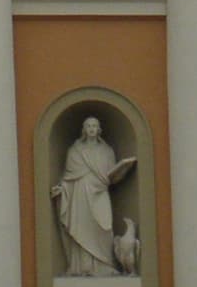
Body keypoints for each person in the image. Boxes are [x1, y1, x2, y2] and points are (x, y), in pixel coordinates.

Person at [51, 115, 135, 276]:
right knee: (82, 228)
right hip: (80, 193)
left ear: (99, 130)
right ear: (84, 130)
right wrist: (62, 189)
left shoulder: (107, 151)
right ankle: (84, 267)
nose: (91, 129)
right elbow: (69, 177)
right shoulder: (75, 151)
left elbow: (111, 175)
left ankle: (105, 265)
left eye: (94, 126)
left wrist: (122, 170)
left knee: (104, 227)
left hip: (101, 192)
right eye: (88, 126)